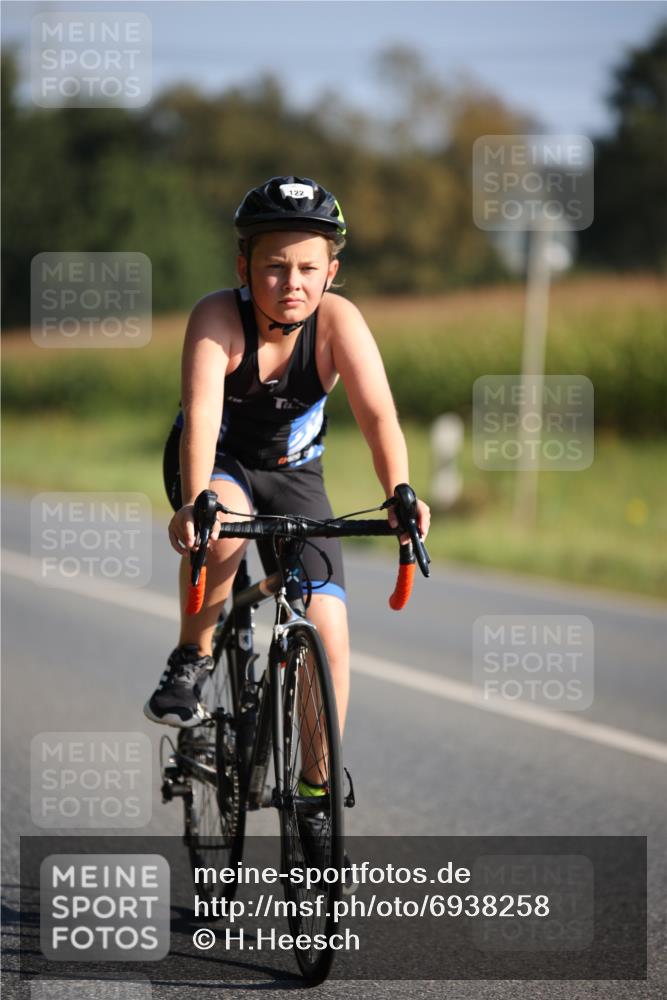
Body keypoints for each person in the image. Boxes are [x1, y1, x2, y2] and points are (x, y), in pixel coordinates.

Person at [144, 176, 430, 804]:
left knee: (329, 631)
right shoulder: (217, 317)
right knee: (223, 529)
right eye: (274, 266)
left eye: (307, 267)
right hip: (217, 463)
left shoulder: (338, 322)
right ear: (244, 267)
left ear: (332, 271)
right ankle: (192, 656)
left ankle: (316, 794)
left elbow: (379, 416)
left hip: (297, 473)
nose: (291, 282)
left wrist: (400, 492)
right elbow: (201, 418)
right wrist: (195, 503)